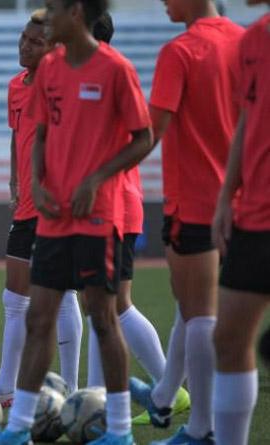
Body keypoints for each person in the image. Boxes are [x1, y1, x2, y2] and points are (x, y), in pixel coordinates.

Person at [0, 0, 152, 443]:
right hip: (52, 216)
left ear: (75, 14)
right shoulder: (50, 71)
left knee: (104, 318)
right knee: (39, 317)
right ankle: (19, 428)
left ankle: (119, 429)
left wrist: (96, 179)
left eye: (54, 10)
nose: (47, 19)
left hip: (98, 213)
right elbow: (38, 133)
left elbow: (144, 137)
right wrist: (37, 183)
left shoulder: (115, 69)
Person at [128, 1, 244, 443]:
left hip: (195, 201)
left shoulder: (180, 51)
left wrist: (99, 171)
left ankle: (202, 429)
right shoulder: (246, 42)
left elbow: (151, 131)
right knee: (191, 302)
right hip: (242, 199)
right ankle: (163, 397)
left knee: (199, 314)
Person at [82, 13, 191, 426]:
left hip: (112, 203)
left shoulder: (107, 73)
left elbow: (139, 137)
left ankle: (166, 389)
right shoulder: (90, 73)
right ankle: (102, 396)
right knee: (101, 302)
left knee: (111, 303)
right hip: (110, 202)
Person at [0, 10, 82, 407]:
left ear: (54, 47)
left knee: (64, 296)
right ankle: (5, 386)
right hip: (27, 205)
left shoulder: (65, 84)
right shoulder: (16, 85)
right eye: (23, 38)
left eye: (35, 42)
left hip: (57, 205)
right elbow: (18, 136)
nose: (25, 46)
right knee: (14, 298)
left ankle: (72, 388)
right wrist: (16, 180)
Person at [211, 3, 269, 443]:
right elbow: (247, 121)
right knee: (229, 338)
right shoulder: (253, 39)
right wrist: (226, 197)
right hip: (254, 211)